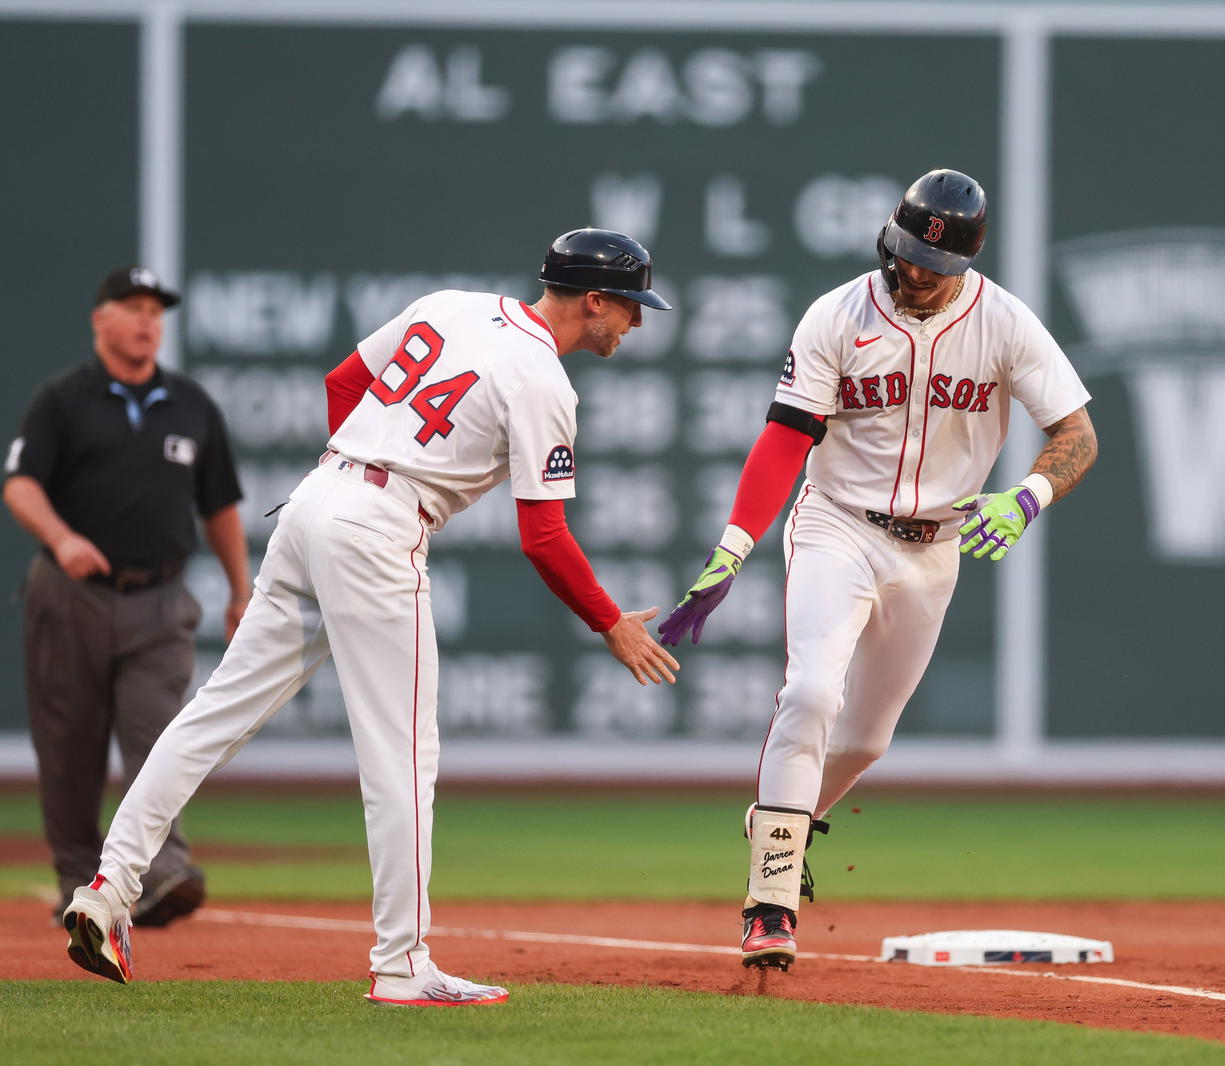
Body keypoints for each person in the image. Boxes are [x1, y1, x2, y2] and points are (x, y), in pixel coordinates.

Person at [59, 230, 681, 1005]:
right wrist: (611, 622)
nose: (635, 321)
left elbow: (343, 380)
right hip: (379, 524)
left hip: (315, 499)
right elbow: (544, 537)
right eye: (629, 305)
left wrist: (354, 471)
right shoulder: (543, 380)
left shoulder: (451, 305)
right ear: (592, 301)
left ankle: (108, 889)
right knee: (403, 756)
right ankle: (403, 964)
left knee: (213, 713)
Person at [658, 170, 1098, 971]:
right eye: (905, 255)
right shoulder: (838, 314)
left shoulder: (1003, 322)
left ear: (966, 262)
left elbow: (1077, 432)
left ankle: (779, 820)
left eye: (934, 264)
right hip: (838, 524)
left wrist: (1028, 497)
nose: (915, 272)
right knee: (811, 693)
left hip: (934, 548)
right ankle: (771, 900)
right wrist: (732, 547)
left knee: (865, 740)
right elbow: (785, 438)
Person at [4, 266, 252, 930]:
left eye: (155, 310)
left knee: (160, 735)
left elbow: (220, 506)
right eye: (132, 306)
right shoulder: (64, 400)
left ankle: (159, 870)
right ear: (101, 319)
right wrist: (61, 538)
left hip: (161, 599)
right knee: (70, 749)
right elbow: (20, 484)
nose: (147, 319)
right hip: (72, 597)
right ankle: (76, 879)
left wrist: (240, 590)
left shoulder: (191, 405)